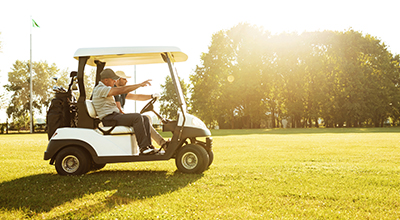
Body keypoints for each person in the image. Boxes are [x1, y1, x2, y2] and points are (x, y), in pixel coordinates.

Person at [92, 68, 156, 155]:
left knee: (145, 118)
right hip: (109, 119)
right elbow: (122, 90)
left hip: (114, 116)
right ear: (106, 80)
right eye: (113, 80)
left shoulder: (105, 88)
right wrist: (140, 85)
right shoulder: (100, 89)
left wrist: (151, 96)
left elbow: (133, 95)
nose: (115, 82)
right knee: (137, 117)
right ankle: (143, 148)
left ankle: (148, 146)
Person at [114, 70, 168, 148]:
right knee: (139, 118)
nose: (127, 81)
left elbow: (137, 96)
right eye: (124, 79)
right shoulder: (114, 91)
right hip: (117, 118)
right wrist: (128, 117)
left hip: (119, 117)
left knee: (147, 118)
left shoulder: (122, 91)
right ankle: (162, 144)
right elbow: (119, 110)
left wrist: (151, 96)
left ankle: (151, 145)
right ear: (118, 79)